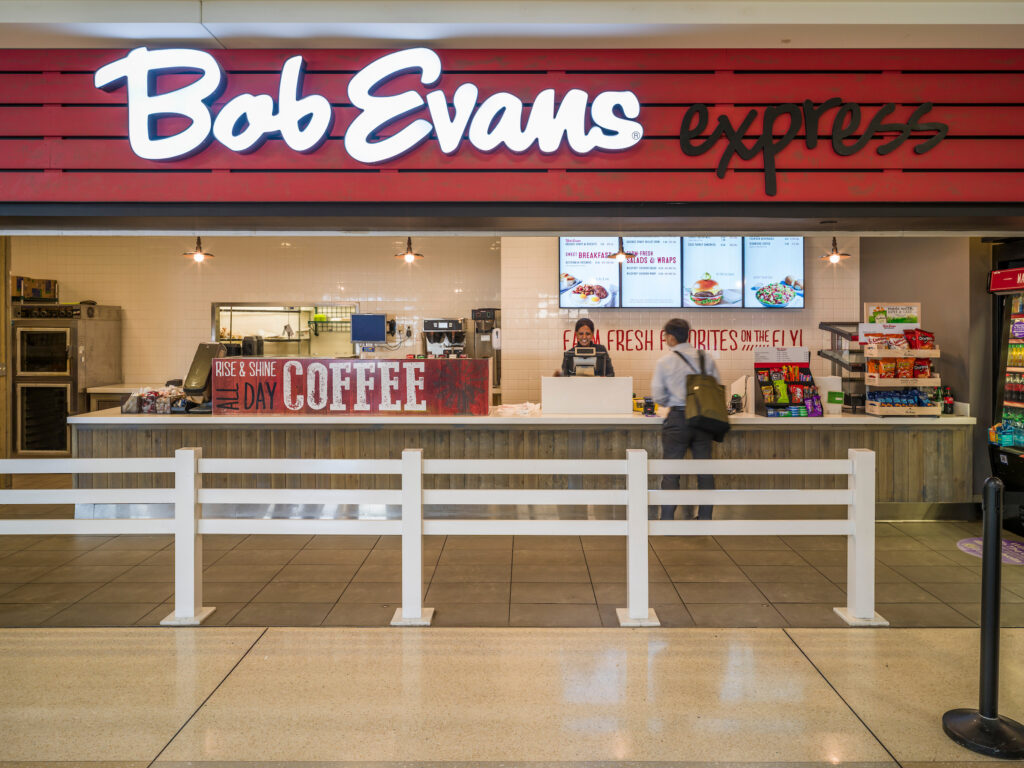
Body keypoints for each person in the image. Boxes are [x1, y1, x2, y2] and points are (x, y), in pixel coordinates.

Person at [650, 318, 720, 520]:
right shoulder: (706, 357)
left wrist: (671, 400)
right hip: (703, 420)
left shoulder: (665, 361)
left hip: (678, 419)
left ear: (671, 337)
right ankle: (705, 517)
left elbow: (658, 397)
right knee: (704, 470)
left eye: (665, 336)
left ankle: (667, 519)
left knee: (671, 471)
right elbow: (716, 386)